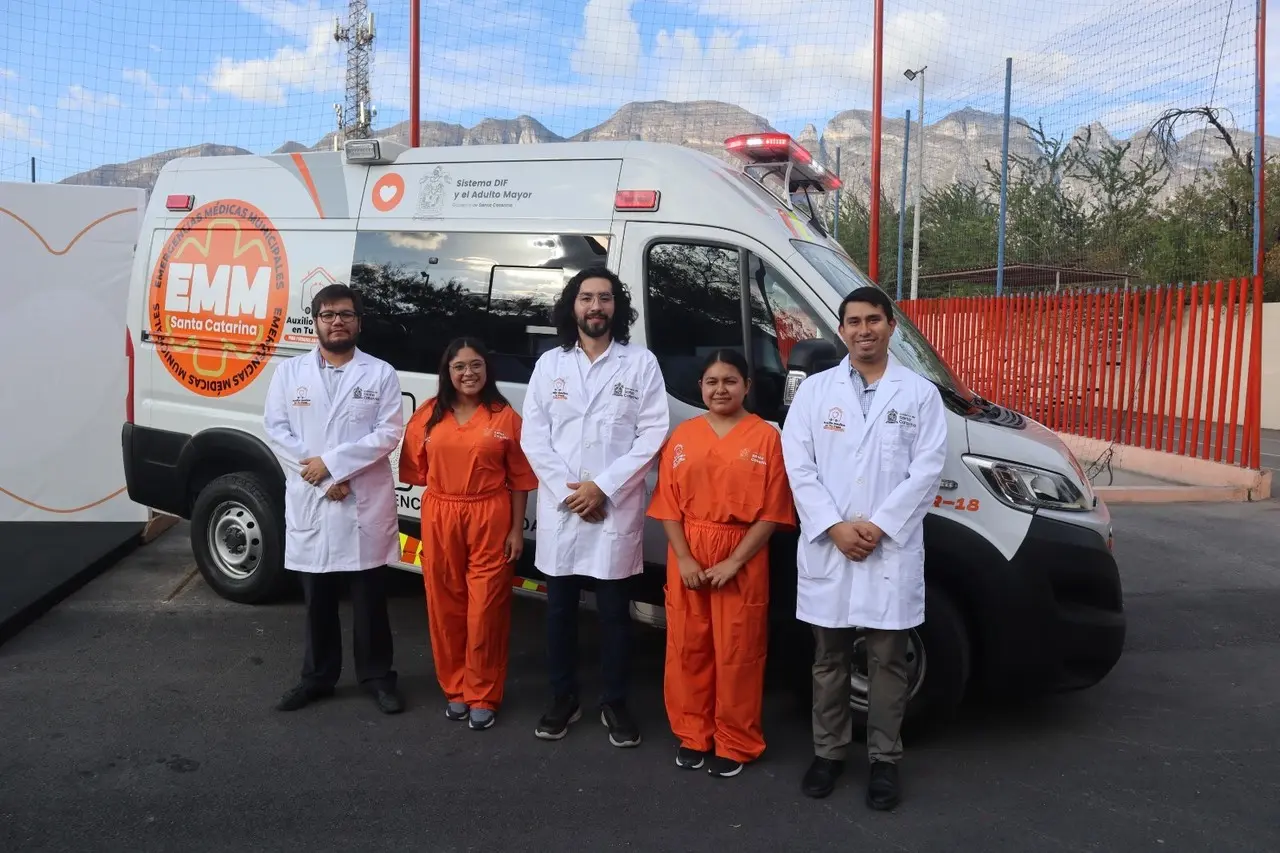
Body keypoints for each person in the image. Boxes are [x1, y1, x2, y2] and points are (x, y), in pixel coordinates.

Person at [780, 286, 947, 811]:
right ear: (841, 329)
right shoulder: (814, 393)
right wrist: (833, 526)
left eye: (873, 320)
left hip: (886, 549)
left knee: (888, 662)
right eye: (853, 321)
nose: (863, 330)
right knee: (828, 659)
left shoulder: (919, 394)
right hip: (831, 546)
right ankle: (828, 754)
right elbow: (798, 465)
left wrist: (877, 526)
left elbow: (928, 469)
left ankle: (884, 761)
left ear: (891, 326)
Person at [520, 266, 669, 748]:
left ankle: (614, 701)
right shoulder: (550, 365)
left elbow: (652, 434)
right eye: (587, 298)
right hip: (564, 510)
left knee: (613, 614)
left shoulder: (640, 364)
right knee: (559, 612)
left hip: (611, 507)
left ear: (616, 308)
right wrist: (571, 493)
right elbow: (534, 436)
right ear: (573, 306)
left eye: (605, 298)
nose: (596, 307)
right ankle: (563, 696)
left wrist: (601, 487)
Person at [646, 349, 796, 778]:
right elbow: (668, 506)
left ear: (747, 386)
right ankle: (693, 734)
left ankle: (736, 739)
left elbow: (773, 511)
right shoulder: (683, 436)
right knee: (687, 647)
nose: (720, 389)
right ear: (700, 387)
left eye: (730, 381)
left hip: (742, 556)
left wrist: (734, 562)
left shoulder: (767, 438)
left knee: (738, 651)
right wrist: (685, 558)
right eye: (711, 382)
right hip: (688, 554)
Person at [263, 283, 406, 715]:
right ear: (316, 322)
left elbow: (388, 433)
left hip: (361, 502)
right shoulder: (289, 373)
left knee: (369, 602)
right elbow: (276, 429)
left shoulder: (380, 373)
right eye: (328, 315)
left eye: (345, 314)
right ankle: (317, 677)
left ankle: (378, 677)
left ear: (359, 322)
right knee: (317, 601)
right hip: (316, 498)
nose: (337, 321)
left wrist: (334, 465)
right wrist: (324, 479)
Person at [398, 338, 538, 731]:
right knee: (445, 604)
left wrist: (515, 529)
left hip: (489, 513)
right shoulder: (428, 414)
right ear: (447, 372)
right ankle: (455, 687)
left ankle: (483, 693)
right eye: (459, 367)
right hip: (441, 512)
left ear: (487, 369)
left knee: (486, 609)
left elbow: (521, 478)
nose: (468, 373)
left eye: (476, 365)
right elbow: (416, 469)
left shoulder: (504, 416)